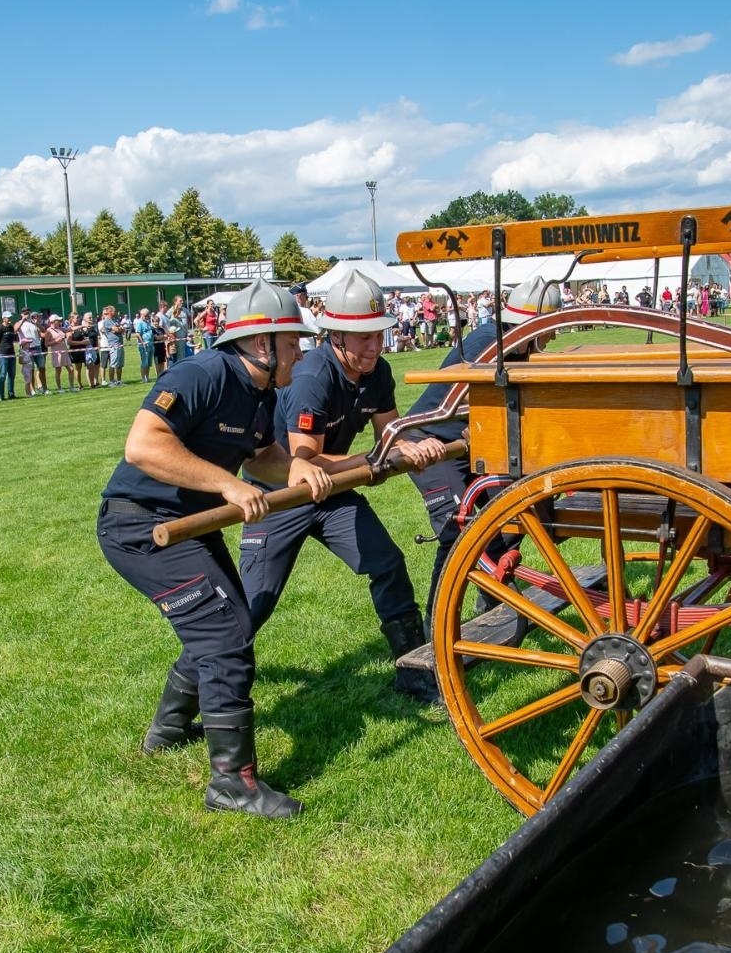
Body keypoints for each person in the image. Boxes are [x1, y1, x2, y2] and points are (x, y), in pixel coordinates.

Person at [98, 279, 331, 819]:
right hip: (141, 528)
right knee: (223, 636)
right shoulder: (199, 374)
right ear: (260, 345)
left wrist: (294, 467)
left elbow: (262, 456)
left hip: (190, 524)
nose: (302, 349)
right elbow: (144, 446)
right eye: (293, 341)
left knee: (230, 623)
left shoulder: (262, 392)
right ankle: (231, 783)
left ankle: (170, 729)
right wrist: (226, 484)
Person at [238, 270, 448, 703]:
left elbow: (389, 432)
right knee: (252, 605)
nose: (374, 346)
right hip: (280, 496)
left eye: (378, 335)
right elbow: (303, 461)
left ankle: (416, 672)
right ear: (336, 334)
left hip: (332, 493)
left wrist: (417, 442)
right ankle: (184, 704)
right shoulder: (313, 376)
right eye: (362, 337)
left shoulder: (378, 371)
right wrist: (376, 460)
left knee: (387, 563)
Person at [404, 276, 561, 622]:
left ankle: (492, 598)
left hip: (471, 445)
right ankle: (436, 628)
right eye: (549, 328)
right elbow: (478, 403)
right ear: (530, 325)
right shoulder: (490, 345)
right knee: (459, 532)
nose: (551, 337)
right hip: (431, 443)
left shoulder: (517, 345)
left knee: (512, 514)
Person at [0, 312, 18, 400]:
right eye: (8, 318)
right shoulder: (0, 329)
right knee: (2, 375)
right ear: (3, 319)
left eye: (10, 317)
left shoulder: (11, 328)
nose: (10, 319)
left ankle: (11, 393)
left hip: (11, 353)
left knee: (12, 374)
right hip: (2, 354)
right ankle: (1, 395)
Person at [100, 304, 126, 386]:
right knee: (113, 364)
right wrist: (118, 329)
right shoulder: (107, 321)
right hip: (114, 344)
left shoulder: (115, 320)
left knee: (120, 364)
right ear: (110, 312)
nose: (115, 312)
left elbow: (122, 329)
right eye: (114, 310)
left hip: (120, 344)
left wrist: (119, 329)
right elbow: (116, 329)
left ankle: (119, 381)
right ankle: (111, 381)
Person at [45, 314, 70, 392]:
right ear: (53, 322)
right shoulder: (49, 331)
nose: (59, 322)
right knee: (58, 370)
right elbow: (46, 344)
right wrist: (56, 341)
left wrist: (82, 326)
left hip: (64, 351)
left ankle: (72, 386)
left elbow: (70, 329)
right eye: (58, 320)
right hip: (57, 353)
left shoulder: (61, 328)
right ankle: (60, 388)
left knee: (71, 369)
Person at [133, 308, 156, 383]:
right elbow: (137, 334)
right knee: (144, 362)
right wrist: (142, 343)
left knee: (149, 363)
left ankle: (147, 377)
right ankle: (143, 378)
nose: (147, 317)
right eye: (146, 315)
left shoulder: (147, 322)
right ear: (141, 315)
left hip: (150, 344)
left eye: (148, 315)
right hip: (144, 345)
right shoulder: (139, 323)